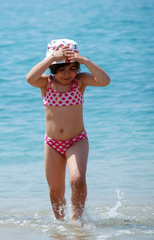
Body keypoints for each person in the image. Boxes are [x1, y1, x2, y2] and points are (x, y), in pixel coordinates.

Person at [26, 39, 110, 222]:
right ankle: (60, 223)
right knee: (55, 190)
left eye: (72, 68)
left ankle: (76, 221)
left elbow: (105, 81)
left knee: (77, 180)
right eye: (62, 69)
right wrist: (50, 59)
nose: (67, 74)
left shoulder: (80, 82)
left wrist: (85, 61)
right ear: (53, 69)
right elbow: (30, 78)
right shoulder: (45, 83)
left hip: (77, 140)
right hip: (52, 143)